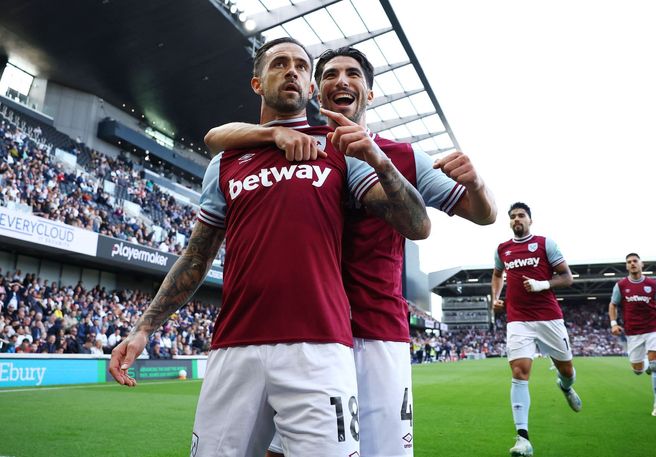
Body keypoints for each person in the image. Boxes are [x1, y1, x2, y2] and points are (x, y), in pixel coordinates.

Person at [108, 37, 429, 457]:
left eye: (301, 66)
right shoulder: (225, 162)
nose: (292, 71)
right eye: (280, 63)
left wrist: (381, 162)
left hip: (320, 347)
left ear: (311, 89)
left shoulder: (337, 149)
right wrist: (144, 327)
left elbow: (415, 224)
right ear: (257, 83)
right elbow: (196, 256)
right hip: (234, 347)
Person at [204, 46, 497, 457]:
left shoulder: (403, 156)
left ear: (370, 93)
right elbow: (218, 138)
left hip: (375, 334)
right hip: (306, 338)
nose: (342, 81)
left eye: (354, 74)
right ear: (315, 93)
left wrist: (478, 185)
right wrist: (272, 132)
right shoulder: (300, 148)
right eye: (330, 75)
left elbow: (482, 216)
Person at [491, 202, 581, 457]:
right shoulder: (502, 249)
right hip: (518, 319)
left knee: (567, 370)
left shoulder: (545, 244)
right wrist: (496, 297)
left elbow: (567, 277)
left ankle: (565, 386)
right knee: (520, 371)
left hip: (549, 317)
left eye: (521, 215)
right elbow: (497, 274)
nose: (516, 219)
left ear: (530, 220)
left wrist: (542, 284)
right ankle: (523, 439)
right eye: (512, 217)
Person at [608, 253, 656, 417]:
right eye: (629, 262)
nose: (632, 264)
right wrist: (614, 323)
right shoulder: (621, 285)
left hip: (653, 327)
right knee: (638, 370)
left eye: (635, 261)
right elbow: (613, 304)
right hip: (633, 332)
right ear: (626, 266)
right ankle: (644, 365)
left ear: (641, 264)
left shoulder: (653, 284)